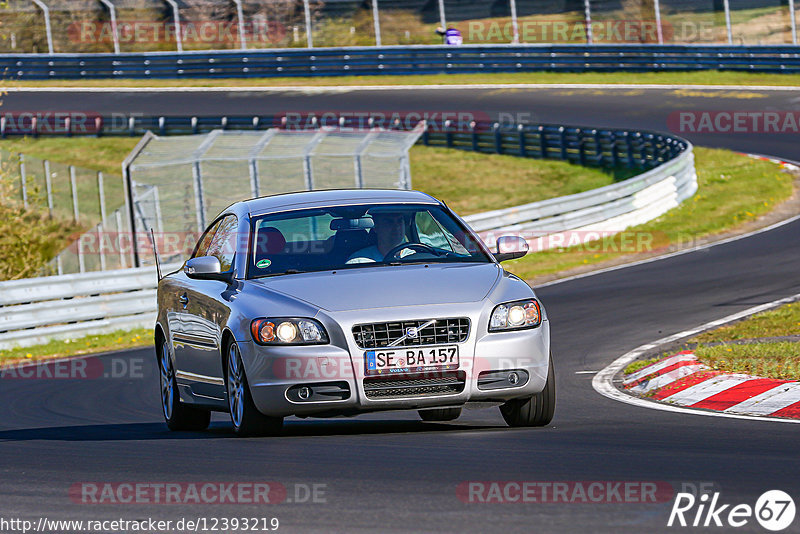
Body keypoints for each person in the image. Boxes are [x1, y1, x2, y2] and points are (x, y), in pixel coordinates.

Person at [346, 211, 411, 264]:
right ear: (376, 228)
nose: (396, 227)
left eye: (400, 221)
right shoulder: (359, 262)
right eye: (389, 222)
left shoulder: (414, 257)